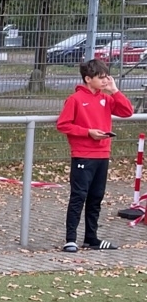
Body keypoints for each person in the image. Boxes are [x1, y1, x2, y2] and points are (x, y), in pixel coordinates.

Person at [56, 58, 133, 252]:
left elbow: (127, 111)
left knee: (96, 197)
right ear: (88, 79)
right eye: (101, 77)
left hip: (102, 155)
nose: (105, 80)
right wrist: (88, 132)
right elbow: (63, 125)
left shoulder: (106, 98)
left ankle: (91, 238)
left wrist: (115, 91)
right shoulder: (75, 99)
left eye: (107, 77)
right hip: (83, 155)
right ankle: (70, 239)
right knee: (79, 196)